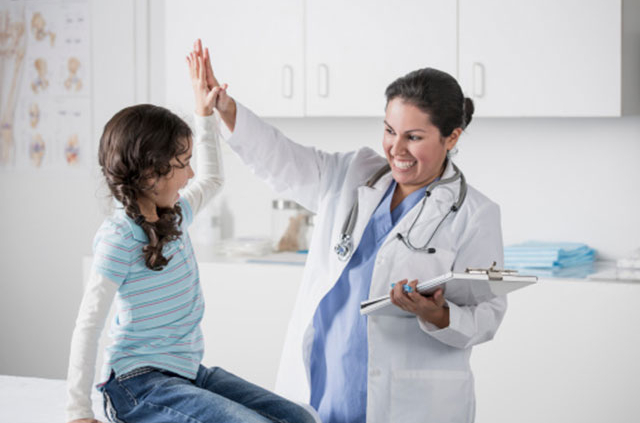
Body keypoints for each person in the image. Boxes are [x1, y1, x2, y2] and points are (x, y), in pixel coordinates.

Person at [205, 43, 507, 423]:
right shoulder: (353, 173)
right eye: (389, 130)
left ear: (452, 138)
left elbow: (488, 314)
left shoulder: (475, 215)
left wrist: (439, 314)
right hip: (323, 380)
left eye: (413, 137)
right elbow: (283, 159)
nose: (396, 149)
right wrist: (227, 109)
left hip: (408, 399)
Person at [65, 41, 318, 423]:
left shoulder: (176, 214)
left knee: (300, 419)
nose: (191, 173)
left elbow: (213, 178)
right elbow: (88, 324)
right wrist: (77, 412)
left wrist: (204, 114)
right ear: (150, 173)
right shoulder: (119, 237)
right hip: (137, 386)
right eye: (183, 163)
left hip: (186, 373)